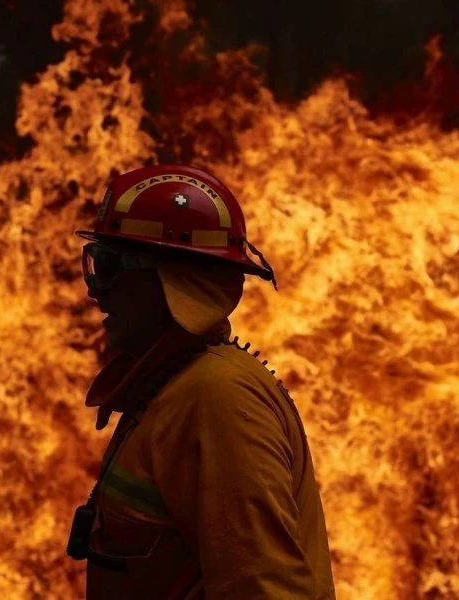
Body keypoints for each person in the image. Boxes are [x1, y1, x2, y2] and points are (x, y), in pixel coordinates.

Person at [66, 164, 336, 599]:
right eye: (95, 263)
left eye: (111, 265)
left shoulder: (217, 399)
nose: (98, 290)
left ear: (174, 278)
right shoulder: (170, 388)